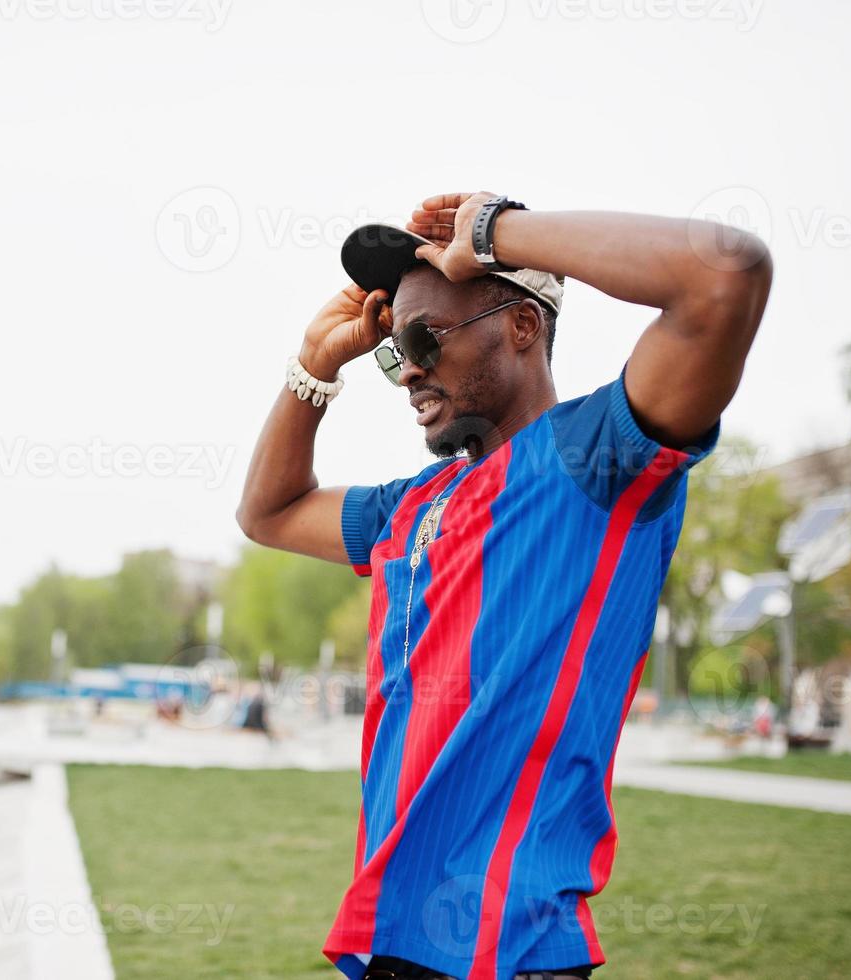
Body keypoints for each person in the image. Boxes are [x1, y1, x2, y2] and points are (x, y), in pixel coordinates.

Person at [236, 192, 771, 980]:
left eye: (424, 337)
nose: (406, 367)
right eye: (392, 349)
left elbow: (725, 276)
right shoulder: (413, 503)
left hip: (508, 946)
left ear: (522, 327)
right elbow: (267, 511)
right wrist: (316, 366)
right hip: (392, 938)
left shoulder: (597, 457)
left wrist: (490, 235)